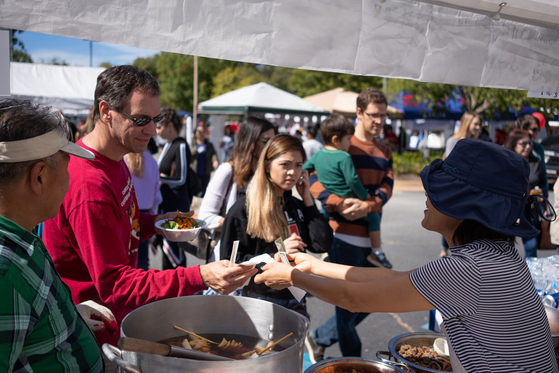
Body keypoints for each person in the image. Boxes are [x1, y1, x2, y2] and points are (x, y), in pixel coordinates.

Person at [256, 139, 557, 373]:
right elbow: (397, 279)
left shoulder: (469, 269)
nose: (427, 194)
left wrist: (293, 277)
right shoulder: (496, 253)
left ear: (464, 208)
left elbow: (354, 299)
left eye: (439, 191)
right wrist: (318, 267)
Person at [42, 65, 258, 348]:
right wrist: (200, 275)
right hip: (91, 336)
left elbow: (118, 222)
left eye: (156, 119)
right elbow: (115, 285)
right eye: (141, 119)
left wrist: (157, 223)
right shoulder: (88, 184)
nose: (153, 130)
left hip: (114, 321)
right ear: (106, 111)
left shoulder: (114, 157)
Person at [0, 99, 118, 372]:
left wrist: (67, 316)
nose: (69, 177)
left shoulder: (22, 236)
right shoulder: (4, 272)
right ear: (39, 177)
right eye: (66, 167)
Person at [305, 87, 394, 361]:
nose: (379, 121)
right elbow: (309, 175)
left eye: (383, 115)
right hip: (341, 236)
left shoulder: (385, 150)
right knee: (348, 304)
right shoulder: (340, 143)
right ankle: (353, 363)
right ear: (359, 113)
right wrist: (337, 202)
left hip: (370, 238)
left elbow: (387, 184)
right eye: (373, 115)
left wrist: (369, 205)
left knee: (378, 297)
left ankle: (319, 338)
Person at [220, 134, 333, 318]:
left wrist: (308, 200)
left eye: (298, 165)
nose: (293, 172)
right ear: (267, 165)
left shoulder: (296, 205)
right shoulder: (243, 208)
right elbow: (229, 263)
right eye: (285, 164)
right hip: (258, 301)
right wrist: (276, 255)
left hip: (296, 299)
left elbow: (322, 244)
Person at [304, 114, 387, 268]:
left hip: (329, 201)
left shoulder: (318, 155)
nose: (350, 143)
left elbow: (305, 169)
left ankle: (324, 251)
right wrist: (365, 196)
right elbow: (352, 180)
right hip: (349, 199)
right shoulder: (344, 157)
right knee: (373, 219)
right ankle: (377, 252)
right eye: (349, 139)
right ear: (336, 140)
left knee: (324, 220)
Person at [198, 116, 276, 263]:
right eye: (266, 141)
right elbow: (205, 217)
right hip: (229, 257)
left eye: (274, 141)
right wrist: (242, 225)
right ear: (250, 142)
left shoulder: (268, 172)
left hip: (259, 254)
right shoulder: (227, 171)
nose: (271, 147)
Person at [440, 111, 483, 258]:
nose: (478, 127)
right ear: (467, 123)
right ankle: (444, 249)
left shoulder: (478, 144)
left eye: (479, 124)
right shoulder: (454, 141)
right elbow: (453, 167)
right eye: (475, 124)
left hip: (471, 189)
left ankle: (461, 255)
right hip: (455, 188)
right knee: (451, 221)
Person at [156, 107, 194, 269]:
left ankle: (181, 291)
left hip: (178, 206)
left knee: (177, 252)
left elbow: (181, 179)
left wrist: (161, 181)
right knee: (167, 252)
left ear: (170, 126)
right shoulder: (167, 145)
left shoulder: (181, 145)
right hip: (167, 205)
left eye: (159, 127)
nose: (157, 131)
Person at [505, 129, 547, 258]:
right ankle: (506, 275)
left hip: (530, 211)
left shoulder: (536, 162)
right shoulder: (507, 162)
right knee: (507, 247)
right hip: (508, 211)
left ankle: (531, 275)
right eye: (523, 144)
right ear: (513, 144)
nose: (528, 147)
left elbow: (542, 183)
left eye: (529, 143)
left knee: (531, 245)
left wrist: (541, 199)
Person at [124, 150, 162, 270]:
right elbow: (157, 197)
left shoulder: (122, 160)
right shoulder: (152, 161)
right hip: (146, 215)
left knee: (125, 263)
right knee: (142, 264)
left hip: (126, 214)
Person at [517, 114, 549, 197]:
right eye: (534, 129)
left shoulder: (538, 148)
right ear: (524, 129)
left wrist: (544, 193)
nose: (537, 132)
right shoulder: (510, 147)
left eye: (538, 129)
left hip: (533, 202)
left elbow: (543, 176)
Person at [191, 125, 219, 195]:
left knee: (205, 190)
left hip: (206, 172)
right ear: (196, 133)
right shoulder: (192, 144)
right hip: (195, 172)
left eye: (203, 131)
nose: (202, 134)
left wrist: (215, 161)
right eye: (199, 132)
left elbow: (213, 154)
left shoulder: (209, 145)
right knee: (197, 191)